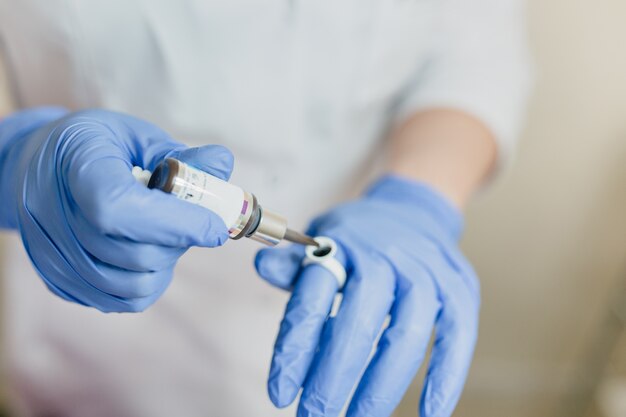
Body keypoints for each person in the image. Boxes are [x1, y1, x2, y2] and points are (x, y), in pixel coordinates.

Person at [0, 1, 531, 416]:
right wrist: (19, 160)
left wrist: (417, 198)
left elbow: (472, 48)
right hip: (76, 326)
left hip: (310, 324)